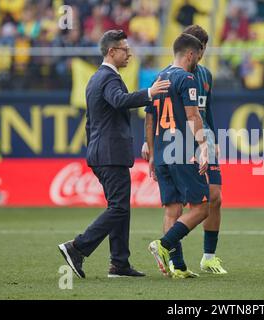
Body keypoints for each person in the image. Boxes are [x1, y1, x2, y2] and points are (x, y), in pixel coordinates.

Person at [58, 30, 170, 278]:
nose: (129, 53)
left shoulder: (97, 78)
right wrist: (149, 93)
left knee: (119, 207)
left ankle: (119, 263)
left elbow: (91, 122)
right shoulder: (109, 79)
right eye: (124, 49)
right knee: (119, 207)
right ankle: (77, 248)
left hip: (102, 152)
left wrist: (94, 149)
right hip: (110, 154)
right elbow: (119, 101)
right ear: (112, 51)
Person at [142, 25, 227, 275]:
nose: (202, 55)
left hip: (173, 147)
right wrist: (202, 144)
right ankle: (167, 250)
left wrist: (212, 140)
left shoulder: (200, 76)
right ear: (194, 51)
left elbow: (205, 111)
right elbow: (192, 116)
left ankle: (189, 262)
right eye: (201, 50)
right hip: (184, 147)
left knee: (213, 197)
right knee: (194, 206)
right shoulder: (186, 77)